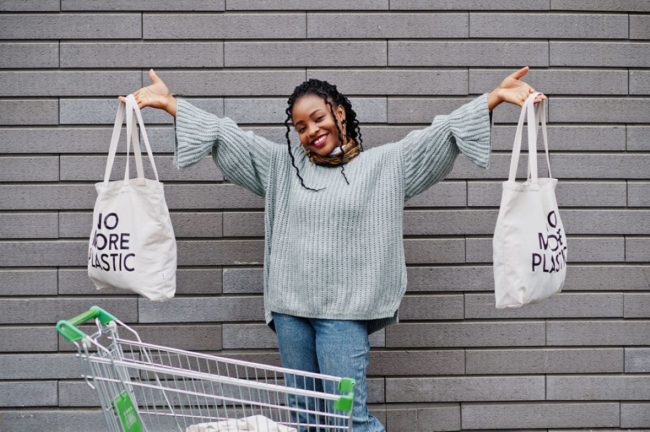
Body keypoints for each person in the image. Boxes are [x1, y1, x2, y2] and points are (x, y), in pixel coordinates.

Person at [119, 66, 546, 432]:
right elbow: (223, 135)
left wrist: (493, 99)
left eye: (318, 118)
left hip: (345, 314)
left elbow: (442, 135)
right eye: (300, 126)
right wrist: (171, 104)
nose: (311, 131)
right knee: (305, 419)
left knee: (348, 422)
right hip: (291, 311)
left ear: (339, 112)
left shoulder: (384, 166)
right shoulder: (282, 168)